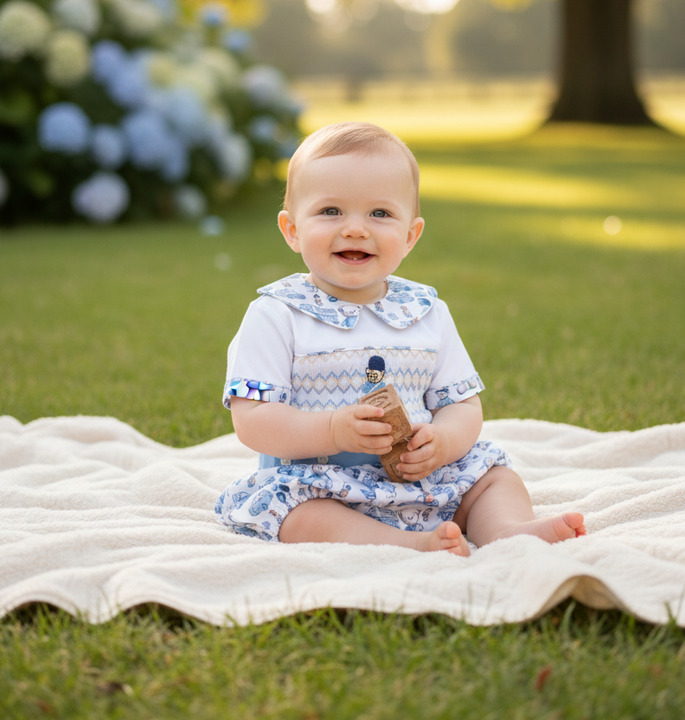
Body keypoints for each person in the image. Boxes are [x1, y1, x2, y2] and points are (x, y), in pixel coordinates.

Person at [215, 122, 586, 556]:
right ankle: (404, 544)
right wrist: (333, 430)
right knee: (296, 516)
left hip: (418, 479)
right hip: (318, 484)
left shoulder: (426, 312)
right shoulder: (278, 314)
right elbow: (254, 421)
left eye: (380, 214)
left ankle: (507, 529)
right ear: (292, 229)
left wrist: (443, 441)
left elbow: (461, 404)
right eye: (331, 211)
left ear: (410, 236)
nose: (355, 229)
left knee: (494, 476)